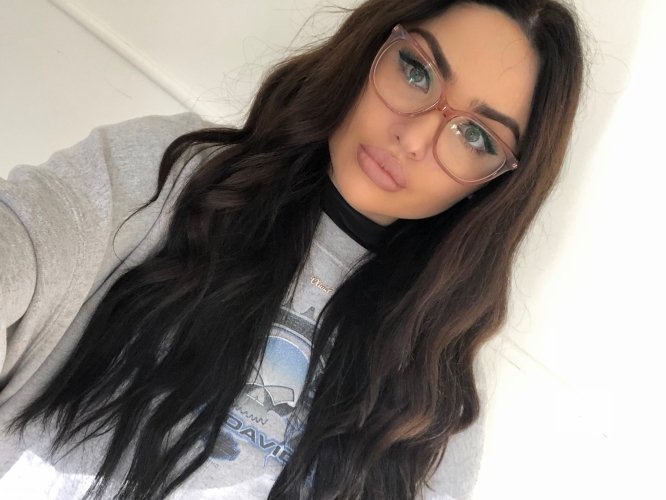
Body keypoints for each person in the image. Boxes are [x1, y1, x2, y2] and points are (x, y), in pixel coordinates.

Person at [0, 0, 584, 498]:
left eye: (476, 135)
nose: (413, 137)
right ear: (372, 49)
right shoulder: (169, 179)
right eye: (416, 70)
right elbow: (22, 235)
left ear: (498, 184)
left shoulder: (434, 413)